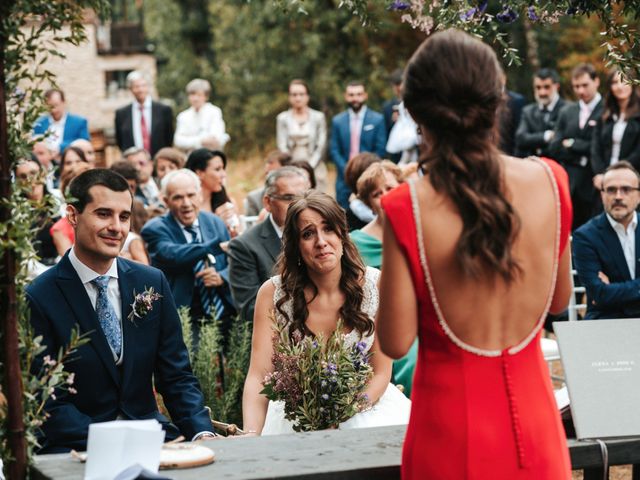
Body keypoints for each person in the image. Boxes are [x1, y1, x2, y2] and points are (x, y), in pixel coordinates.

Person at [376, 30, 573, 478]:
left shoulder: (406, 206)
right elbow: (560, 301)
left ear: (415, 112)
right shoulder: (552, 180)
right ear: (498, 99)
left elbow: (394, 341)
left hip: (449, 436)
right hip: (537, 431)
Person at [26, 169, 215, 453]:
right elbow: (46, 400)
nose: (117, 227)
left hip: (152, 438)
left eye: (124, 217)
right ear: (73, 215)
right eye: (103, 214)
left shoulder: (151, 282)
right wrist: (116, 442)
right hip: (74, 448)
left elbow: (176, 376)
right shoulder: (39, 296)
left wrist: (201, 432)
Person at [242, 190, 410, 435]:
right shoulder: (273, 294)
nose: (321, 241)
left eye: (328, 229)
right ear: (296, 245)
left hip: (366, 407)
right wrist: (250, 434)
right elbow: (258, 376)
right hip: (296, 416)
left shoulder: (376, 284)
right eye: (308, 234)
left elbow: (381, 373)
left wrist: (341, 417)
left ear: (342, 234)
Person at [141, 169, 235, 342]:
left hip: (225, 310)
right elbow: (172, 255)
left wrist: (221, 276)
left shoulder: (214, 222)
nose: (186, 203)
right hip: (185, 316)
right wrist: (213, 246)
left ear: (200, 195)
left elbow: (235, 264)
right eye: (178, 197)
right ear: (165, 201)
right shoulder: (155, 228)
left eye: (191, 195)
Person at [350, 161, 417, 398]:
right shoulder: (355, 244)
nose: (386, 197)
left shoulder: (422, 230)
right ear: (368, 202)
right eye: (377, 194)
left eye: (390, 188)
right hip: (378, 326)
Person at [228, 167, 309, 323]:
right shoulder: (245, 246)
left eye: (302, 198)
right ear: (267, 202)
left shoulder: (320, 238)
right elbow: (249, 308)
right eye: (288, 198)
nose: (297, 205)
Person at [573, 161, 640, 319]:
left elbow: (606, 294)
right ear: (602, 195)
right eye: (611, 190)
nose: (618, 196)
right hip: (606, 319)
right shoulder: (585, 236)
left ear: (638, 195)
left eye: (626, 189)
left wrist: (612, 291)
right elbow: (599, 293)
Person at [551, 63, 603, 230]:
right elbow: (554, 147)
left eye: (585, 85)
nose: (581, 91)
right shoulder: (567, 111)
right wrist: (584, 147)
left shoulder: (608, 109)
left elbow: (602, 147)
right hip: (571, 182)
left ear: (596, 81)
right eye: (576, 87)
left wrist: (572, 143)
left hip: (595, 181)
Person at [329, 81, 387, 208]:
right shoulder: (337, 121)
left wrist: (365, 170)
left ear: (365, 95)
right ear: (346, 96)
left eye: (359, 94)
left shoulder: (377, 119)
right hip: (343, 180)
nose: (355, 98)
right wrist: (347, 170)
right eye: (351, 95)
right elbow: (334, 150)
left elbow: (380, 149)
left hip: (369, 177)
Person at [591, 70, 640, 188]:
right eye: (614, 82)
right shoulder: (604, 115)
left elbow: (638, 152)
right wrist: (601, 173)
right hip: (604, 177)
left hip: (632, 176)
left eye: (624, 81)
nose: (620, 86)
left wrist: (617, 172)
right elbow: (596, 148)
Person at [276, 79, 328, 191]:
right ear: (289, 97)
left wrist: (309, 167)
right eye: (294, 95)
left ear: (307, 96)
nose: (298, 98)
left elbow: (321, 145)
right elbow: (282, 145)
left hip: (315, 166)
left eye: (301, 94)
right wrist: (293, 168)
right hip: (291, 166)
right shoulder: (282, 118)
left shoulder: (318, 117)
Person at [115, 71, 174, 157]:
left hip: (158, 159)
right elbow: (120, 140)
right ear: (130, 89)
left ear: (148, 87)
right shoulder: (121, 114)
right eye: (136, 86)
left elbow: (169, 138)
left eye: (143, 85)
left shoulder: (164, 110)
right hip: (133, 161)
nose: (140, 90)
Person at [185, 148, 241, 237]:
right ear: (199, 173)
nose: (224, 175)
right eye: (217, 169)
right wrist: (217, 224)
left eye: (223, 169)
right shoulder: (187, 207)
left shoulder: (228, 203)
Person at [515, 68, 567, 158]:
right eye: (538, 87)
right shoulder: (528, 111)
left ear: (557, 87)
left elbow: (564, 141)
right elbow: (520, 138)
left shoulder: (567, 109)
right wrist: (545, 136)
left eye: (547, 87)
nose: (542, 92)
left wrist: (532, 140)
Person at [174, 78, 230, 152]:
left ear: (206, 97)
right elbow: (178, 141)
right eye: (192, 95)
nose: (195, 99)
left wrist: (190, 140)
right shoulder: (183, 116)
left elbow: (216, 138)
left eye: (199, 95)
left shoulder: (214, 112)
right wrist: (201, 140)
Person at [33, 88, 90, 153]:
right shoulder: (39, 124)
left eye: (56, 105)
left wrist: (60, 148)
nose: (53, 110)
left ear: (64, 102)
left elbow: (84, 144)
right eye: (50, 107)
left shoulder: (79, 122)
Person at [244, 150, 292, 217]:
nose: (269, 178)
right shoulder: (254, 198)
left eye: (274, 174)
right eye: (267, 174)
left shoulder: (299, 196)